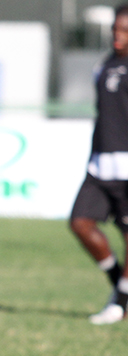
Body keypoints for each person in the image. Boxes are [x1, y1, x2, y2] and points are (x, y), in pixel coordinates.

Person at [70, 4, 128, 325]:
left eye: (124, 32)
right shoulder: (105, 63)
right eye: (114, 30)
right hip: (100, 165)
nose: (117, 37)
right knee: (80, 222)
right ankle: (120, 285)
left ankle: (119, 303)